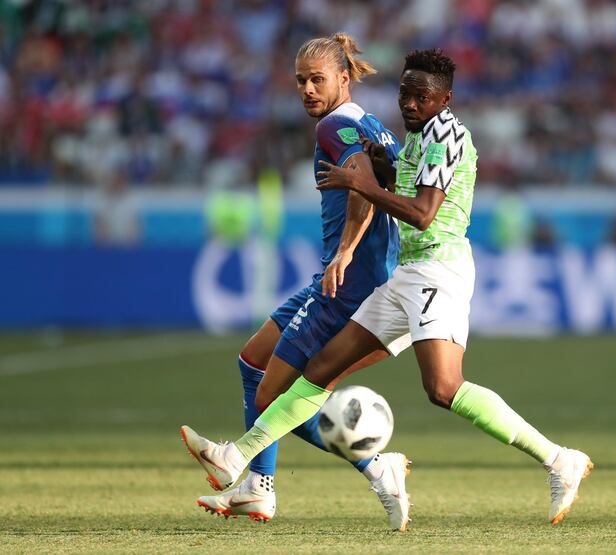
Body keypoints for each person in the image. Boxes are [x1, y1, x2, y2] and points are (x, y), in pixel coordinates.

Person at [181, 49, 592, 526]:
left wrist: (362, 183)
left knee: (442, 387)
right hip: (406, 273)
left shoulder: (442, 135)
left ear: (445, 98)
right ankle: (239, 458)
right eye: (404, 93)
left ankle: (559, 459)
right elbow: (400, 185)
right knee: (321, 369)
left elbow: (422, 213)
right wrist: (382, 165)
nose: (410, 104)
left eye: (421, 96)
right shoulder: (416, 136)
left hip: (438, 270)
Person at [182, 33, 412, 530]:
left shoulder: (334, 125)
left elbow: (362, 186)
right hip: (347, 277)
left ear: (343, 79)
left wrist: (347, 251)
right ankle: (257, 490)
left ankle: (376, 467)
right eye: (301, 81)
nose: (307, 90)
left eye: (317, 79)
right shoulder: (368, 122)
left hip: (350, 283)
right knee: (252, 362)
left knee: (272, 396)